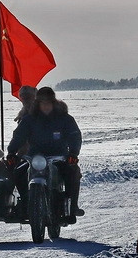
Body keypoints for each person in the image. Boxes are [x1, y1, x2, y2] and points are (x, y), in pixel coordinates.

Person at [7, 86, 83, 221]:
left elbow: (74, 135)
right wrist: (12, 151)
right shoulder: (29, 119)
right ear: (38, 103)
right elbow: (19, 136)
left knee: (73, 172)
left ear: (54, 102)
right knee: (18, 172)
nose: (46, 106)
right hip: (34, 157)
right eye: (42, 103)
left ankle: (72, 206)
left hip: (59, 156)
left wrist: (73, 153)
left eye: (48, 103)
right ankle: (25, 202)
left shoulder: (65, 119)